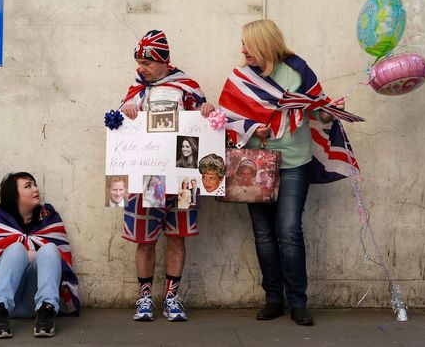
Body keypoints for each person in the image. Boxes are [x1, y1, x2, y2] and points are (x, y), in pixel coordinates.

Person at [219, 19, 361, 326]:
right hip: (253, 164)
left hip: (295, 160)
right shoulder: (239, 78)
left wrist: (330, 109)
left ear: (264, 45)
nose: (243, 50)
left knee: (289, 231)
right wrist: (255, 126)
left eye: (248, 45)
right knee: (264, 234)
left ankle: (298, 302)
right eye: (243, 45)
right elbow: (226, 118)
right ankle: (273, 299)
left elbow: (316, 108)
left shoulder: (297, 70)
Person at [117, 29, 214, 322]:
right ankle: (144, 299)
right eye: (138, 62)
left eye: (146, 63)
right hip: (149, 179)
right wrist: (127, 110)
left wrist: (207, 109)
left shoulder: (187, 87)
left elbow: (202, 119)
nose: (141, 68)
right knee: (145, 240)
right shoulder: (137, 89)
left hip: (182, 178)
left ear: (163, 62)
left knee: (177, 236)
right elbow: (121, 118)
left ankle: (172, 297)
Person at [0, 172, 80, 338]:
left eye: (34, 184)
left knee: (50, 249)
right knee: (16, 249)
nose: (35, 189)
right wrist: (27, 252)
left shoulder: (49, 218)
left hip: (30, 305)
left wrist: (31, 254)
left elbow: (60, 259)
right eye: (28, 186)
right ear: (15, 197)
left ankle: (46, 311)